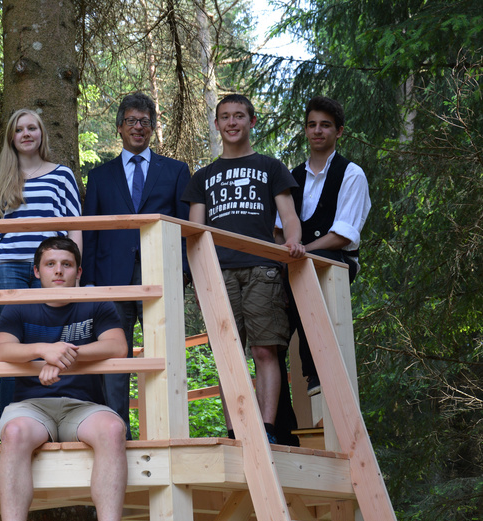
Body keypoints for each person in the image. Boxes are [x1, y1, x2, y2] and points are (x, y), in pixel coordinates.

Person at [181, 94, 305, 444]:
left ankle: (266, 430)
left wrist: (293, 243)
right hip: (220, 274)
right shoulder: (202, 176)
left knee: (265, 350)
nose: (232, 122)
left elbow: (290, 218)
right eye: (225, 117)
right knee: (227, 355)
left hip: (263, 269)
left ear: (252, 121)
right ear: (217, 124)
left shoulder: (270, 167)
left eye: (239, 116)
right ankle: (236, 431)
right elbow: (195, 233)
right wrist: (200, 275)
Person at [0, 237, 128, 521]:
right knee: (13, 433)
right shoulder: (20, 305)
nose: (58, 271)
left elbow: (117, 345)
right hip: (31, 407)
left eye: (67, 265)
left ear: (78, 272)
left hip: (83, 407)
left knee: (114, 429)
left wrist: (64, 357)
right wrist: (44, 350)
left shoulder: (96, 302)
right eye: (50, 264)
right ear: (36, 271)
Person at [82, 92, 191, 438]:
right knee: (114, 359)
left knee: (165, 357)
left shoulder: (175, 171)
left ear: (153, 127)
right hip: (111, 281)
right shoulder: (100, 177)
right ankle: (117, 433)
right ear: (119, 127)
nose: (138, 127)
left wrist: (183, 272)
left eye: (145, 121)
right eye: (131, 120)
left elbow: (185, 228)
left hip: (160, 278)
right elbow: (91, 232)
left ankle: (166, 431)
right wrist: (90, 284)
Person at [0, 108, 82, 415]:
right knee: (14, 339)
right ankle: (12, 413)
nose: (26, 134)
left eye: (32, 128)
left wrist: (75, 269)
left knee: (50, 335)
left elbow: (75, 224)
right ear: (12, 136)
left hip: (52, 265)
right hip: (7, 264)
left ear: (41, 134)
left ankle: (50, 411)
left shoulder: (61, 174)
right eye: (20, 129)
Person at [277, 96, 371, 395]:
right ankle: (278, 414)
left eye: (325, 126)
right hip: (295, 261)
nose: (318, 131)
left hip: (337, 261)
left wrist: (303, 252)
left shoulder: (351, 174)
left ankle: (317, 374)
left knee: (309, 275)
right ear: (306, 130)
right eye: (312, 125)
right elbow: (278, 230)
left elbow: (343, 234)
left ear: (339, 131)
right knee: (274, 327)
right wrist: (287, 254)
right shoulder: (292, 177)